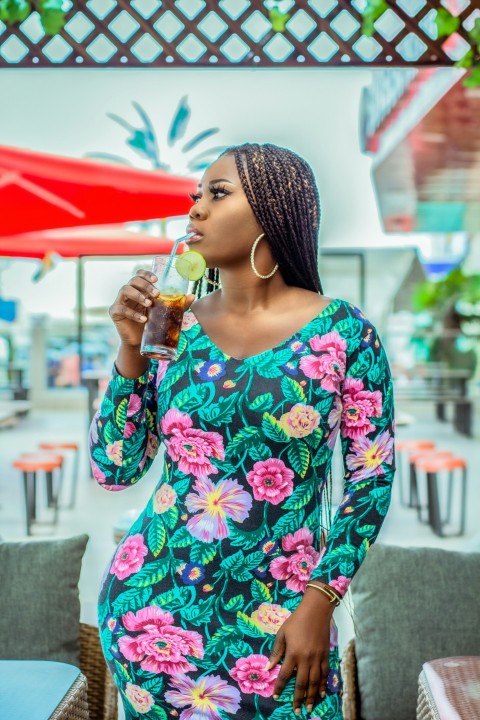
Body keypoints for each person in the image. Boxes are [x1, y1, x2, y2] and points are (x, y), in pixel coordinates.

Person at [90, 143, 395, 720]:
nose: (195, 210)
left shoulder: (345, 333)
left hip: (286, 622)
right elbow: (114, 468)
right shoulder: (175, 330)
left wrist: (321, 601)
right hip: (152, 616)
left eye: (217, 193)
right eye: (195, 196)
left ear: (271, 211)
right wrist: (130, 351)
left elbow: (372, 480)